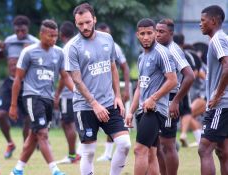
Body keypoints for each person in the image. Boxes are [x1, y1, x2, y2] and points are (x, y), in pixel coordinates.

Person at [65, 3, 131, 175]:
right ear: (76, 23)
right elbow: (77, 80)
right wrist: (94, 103)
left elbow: (113, 67)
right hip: (86, 106)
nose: (85, 27)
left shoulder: (107, 39)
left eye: (87, 22)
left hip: (109, 103)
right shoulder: (72, 47)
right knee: (89, 152)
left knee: (124, 144)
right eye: (80, 24)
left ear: (94, 19)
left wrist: (117, 96)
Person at [9, 19, 73, 175]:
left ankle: (18, 169)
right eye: (50, 36)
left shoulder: (59, 52)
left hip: (48, 99)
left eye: (56, 36)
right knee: (42, 133)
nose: (53, 39)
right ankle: (55, 170)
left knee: (35, 135)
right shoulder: (29, 52)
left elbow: (65, 76)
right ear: (42, 34)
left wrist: (78, 93)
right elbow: (17, 79)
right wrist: (13, 105)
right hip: (32, 97)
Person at [126, 18, 177, 175]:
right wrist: (130, 111)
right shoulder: (142, 57)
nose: (146, 37)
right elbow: (140, 88)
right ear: (137, 35)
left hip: (155, 110)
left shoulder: (162, 53)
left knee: (139, 149)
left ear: (155, 33)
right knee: (150, 153)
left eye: (149, 33)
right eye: (142, 33)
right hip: (143, 110)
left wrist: (154, 98)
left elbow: (173, 80)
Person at [0, 15, 39, 159]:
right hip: (10, 82)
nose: (20, 34)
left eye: (23, 31)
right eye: (17, 31)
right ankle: (10, 143)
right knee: (1, 113)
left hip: (28, 83)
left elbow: (41, 63)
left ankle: (26, 147)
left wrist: (29, 52)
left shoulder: (35, 42)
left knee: (27, 118)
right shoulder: (9, 40)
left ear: (27, 29)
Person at [155, 18, 194, 175]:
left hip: (170, 99)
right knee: (157, 144)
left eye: (161, 32)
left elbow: (190, 76)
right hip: (158, 100)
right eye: (156, 31)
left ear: (171, 33)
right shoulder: (158, 48)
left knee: (167, 144)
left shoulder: (173, 50)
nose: (157, 35)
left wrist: (176, 100)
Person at [198, 5, 228, 175]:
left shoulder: (217, 39)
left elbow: (227, 66)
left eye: (203, 20)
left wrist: (217, 94)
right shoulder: (221, 38)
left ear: (214, 21)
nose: (200, 24)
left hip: (220, 105)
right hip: (224, 105)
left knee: (204, 149)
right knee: (224, 152)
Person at [95, 22, 131, 162]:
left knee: (113, 123)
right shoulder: (84, 46)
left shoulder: (114, 46)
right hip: (92, 95)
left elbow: (124, 67)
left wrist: (126, 89)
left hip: (110, 94)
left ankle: (108, 154)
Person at [54, 21, 81, 164]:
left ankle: (72, 155)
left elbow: (64, 77)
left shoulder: (65, 50)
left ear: (61, 35)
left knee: (67, 123)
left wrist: (57, 94)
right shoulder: (79, 46)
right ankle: (76, 153)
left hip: (69, 94)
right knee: (73, 123)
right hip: (80, 92)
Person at [174, 34, 205, 147]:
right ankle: (199, 140)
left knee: (188, 113)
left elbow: (199, 74)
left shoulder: (187, 56)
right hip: (191, 92)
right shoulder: (186, 56)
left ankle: (183, 134)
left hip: (204, 94)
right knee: (188, 115)